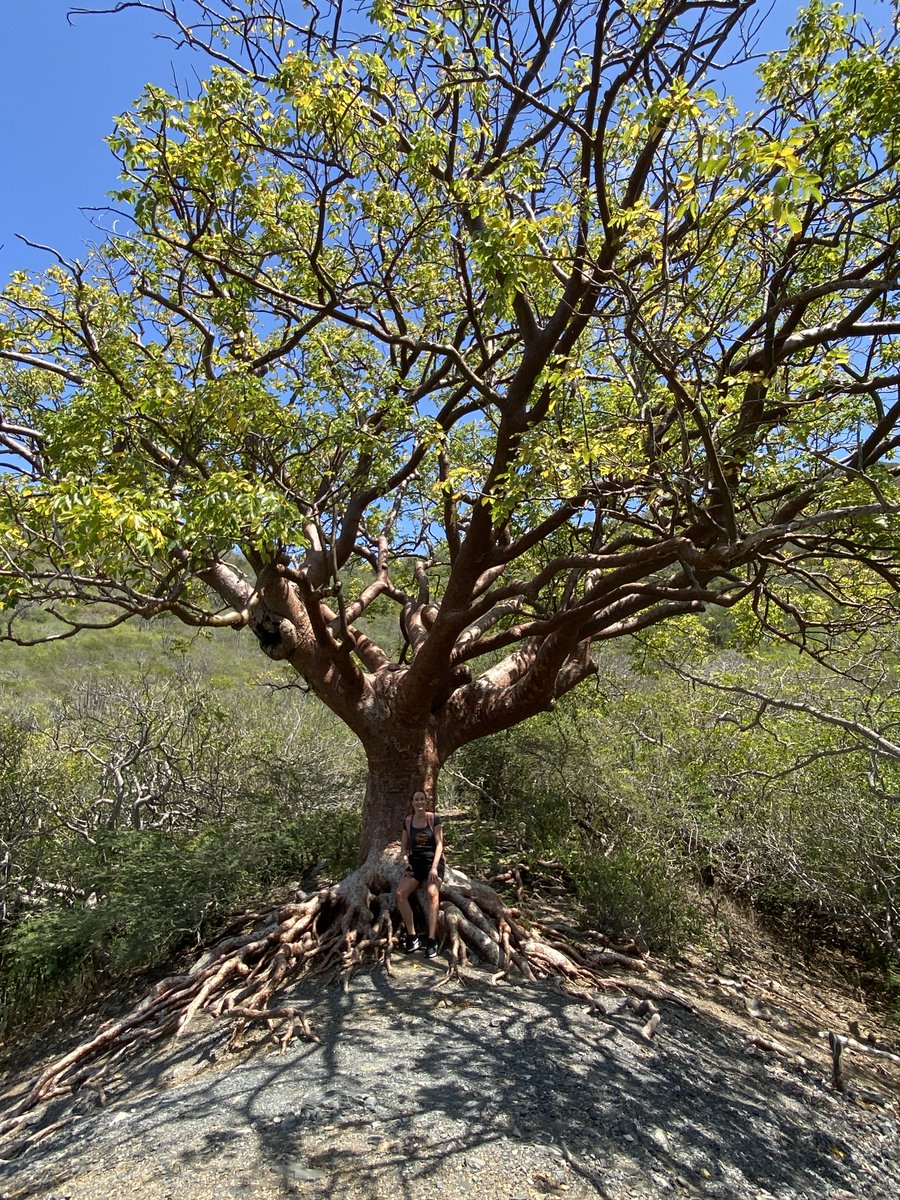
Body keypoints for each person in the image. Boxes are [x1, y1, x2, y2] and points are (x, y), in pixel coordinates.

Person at [396, 789, 445, 958]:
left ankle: (431, 940)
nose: (419, 802)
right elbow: (403, 848)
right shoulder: (408, 822)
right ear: (412, 802)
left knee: (432, 893)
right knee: (400, 894)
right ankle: (412, 936)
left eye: (422, 799)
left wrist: (434, 867)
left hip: (434, 863)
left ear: (426, 801)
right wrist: (406, 862)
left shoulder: (433, 819)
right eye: (416, 799)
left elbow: (439, 845)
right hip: (415, 864)